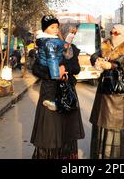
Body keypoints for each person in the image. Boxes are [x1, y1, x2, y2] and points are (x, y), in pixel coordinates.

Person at [30, 23, 85, 159]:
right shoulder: (47, 45)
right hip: (49, 93)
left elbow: (76, 69)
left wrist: (65, 69)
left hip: (66, 92)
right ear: (62, 33)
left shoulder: (73, 49)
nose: (72, 36)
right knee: (49, 130)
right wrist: (53, 73)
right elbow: (36, 69)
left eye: (74, 33)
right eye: (70, 32)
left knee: (67, 130)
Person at [89, 24, 124, 159]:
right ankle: (99, 154)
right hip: (104, 88)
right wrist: (96, 60)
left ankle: (115, 156)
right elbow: (93, 55)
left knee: (116, 123)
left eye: (116, 33)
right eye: (111, 32)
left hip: (119, 91)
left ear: (123, 34)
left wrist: (112, 65)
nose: (113, 35)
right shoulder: (105, 45)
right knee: (101, 120)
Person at [35, 15, 69, 112]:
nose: (56, 29)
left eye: (57, 27)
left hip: (48, 67)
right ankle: (49, 99)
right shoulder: (50, 42)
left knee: (49, 84)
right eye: (52, 27)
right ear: (45, 29)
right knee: (50, 84)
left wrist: (65, 45)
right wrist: (56, 74)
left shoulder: (51, 40)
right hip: (50, 67)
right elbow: (52, 58)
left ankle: (49, 99)